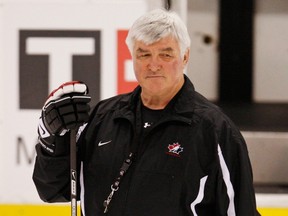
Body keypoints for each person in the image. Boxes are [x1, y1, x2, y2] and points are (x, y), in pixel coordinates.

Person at [33, 9, 260, 216]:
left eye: (165, 54)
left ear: (185, 57)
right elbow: (52, 189)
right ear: (132, 56)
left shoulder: (215, 131)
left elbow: (241, 211)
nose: (153, 65)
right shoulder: (102, 118)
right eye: (144, 54)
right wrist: (52, 139)